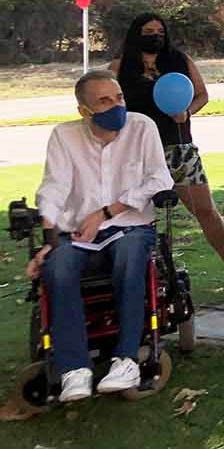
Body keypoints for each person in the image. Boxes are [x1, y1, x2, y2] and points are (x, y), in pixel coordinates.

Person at [28, 70, 174, 402]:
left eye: (119, 97)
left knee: (130, 259)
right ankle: (74, 369)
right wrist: (49, 242)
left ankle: (126, 360)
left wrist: (106, 213)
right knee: (58, 267)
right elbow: (54, 188)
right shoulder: (65, 136)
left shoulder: (141, 128)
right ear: (84, 110)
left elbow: (159, 180)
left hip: (130, 225)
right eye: (104, 101)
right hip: (77, 233)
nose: (116, 106)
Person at [110, 13, 224, 285]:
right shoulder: (119, 67)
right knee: (135, 216)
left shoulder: (180, 61)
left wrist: (186, 111)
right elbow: (107, 104)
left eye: (160, 30)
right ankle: (140, 276)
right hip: (136, 153)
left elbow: (202, 95)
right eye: (149, 30)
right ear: (137, 34)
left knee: (205, 209)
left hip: (179, 149)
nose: (155, 35)